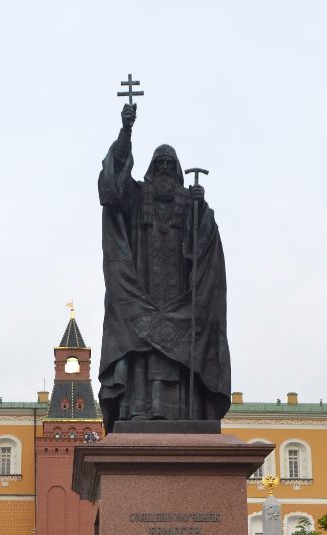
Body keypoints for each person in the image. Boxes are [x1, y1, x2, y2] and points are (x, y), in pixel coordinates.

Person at [97, 101, 231, 430]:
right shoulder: (137, 195)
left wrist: (202, 212)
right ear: (152, 170)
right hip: (141, 292)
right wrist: (125, 132)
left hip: (182, 295)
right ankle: (138, 409)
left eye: (172, 166)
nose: (167, 171)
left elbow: (205, 247)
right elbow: (111, 190)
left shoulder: (189, 205)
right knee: (140, 342)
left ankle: (188, 412)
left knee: (183, 339)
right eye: (161, 165)